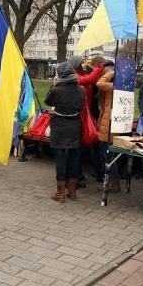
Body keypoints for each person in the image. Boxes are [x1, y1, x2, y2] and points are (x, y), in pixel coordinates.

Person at [45, 59, 85, 202]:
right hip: (75, 126)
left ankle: (60, 193)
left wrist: (54, 85)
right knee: (74, 157)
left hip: (60, 126)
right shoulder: (81, 90)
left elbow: (48, 102)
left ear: (61, 75)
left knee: (61, 157)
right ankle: (72, 192)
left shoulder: (57, 90)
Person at [74, 55, 105, 188]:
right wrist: (100, 68)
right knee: (80, 148)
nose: (85, 65)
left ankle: (91, 174)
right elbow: (89, 80)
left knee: (86, 147)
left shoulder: (82, 75)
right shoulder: (76, 77)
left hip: (88, 116)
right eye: (82, 63)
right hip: (81, 117)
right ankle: (77, 177)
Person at [95, 60, 121, 192]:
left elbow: (99, 83)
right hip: (109, 121)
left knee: (108, 153)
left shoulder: (113, 86)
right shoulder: (117, 84)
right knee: (108, 153)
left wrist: (110, 72)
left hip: (109, 122)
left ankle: (113, 182)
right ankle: (112, 181)